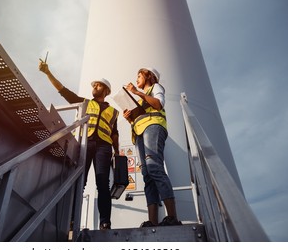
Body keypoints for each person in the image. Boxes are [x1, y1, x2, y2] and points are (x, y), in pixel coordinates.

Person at [38, 60, 119, 230]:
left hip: (104, 147)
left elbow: (114, 133)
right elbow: (63, 91)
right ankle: (71, 221)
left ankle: (105, 222)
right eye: (94, 85)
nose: (94, 87)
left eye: (98, 85)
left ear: (105, 90)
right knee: (79, 182)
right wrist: (47, 72)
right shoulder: (85, 102)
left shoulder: (113, 112)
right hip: (85, 143)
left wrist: (118, 152)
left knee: (102, 183)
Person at [123, 67, 181, 227]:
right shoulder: (141, 99)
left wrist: (137, 92)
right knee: (147, 175)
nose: (136, 79)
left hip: (153, 128)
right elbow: (141, 116)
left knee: (155, 168)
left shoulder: (156, 88)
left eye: (139, 75)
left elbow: (159, 104)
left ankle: (173, 217)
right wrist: (130, 118)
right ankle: (153, 221)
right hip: (140, 132)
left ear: (149, 76)